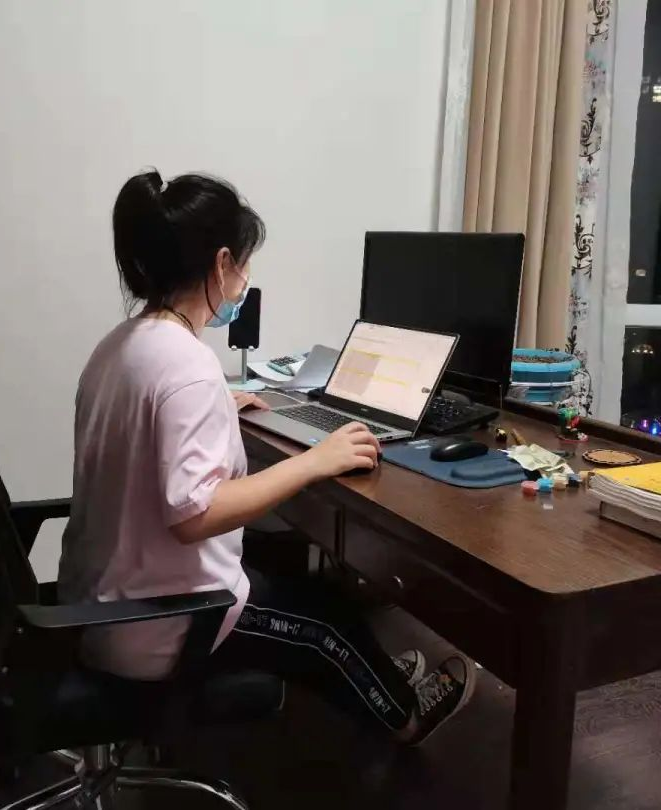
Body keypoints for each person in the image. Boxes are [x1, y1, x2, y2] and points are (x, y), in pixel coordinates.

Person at [57, 169, 474, 744]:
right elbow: (195, 515)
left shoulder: (123, 345)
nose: (245, 279)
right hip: (162, 620)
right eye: (244, 263)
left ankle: (372, 676)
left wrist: (215, 404)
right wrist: (313, 461)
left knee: (310, 591)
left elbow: (145, 428)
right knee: (325, 623)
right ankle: (404, 716)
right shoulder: (186, 368)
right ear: (222, 263)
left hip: (102, 602)